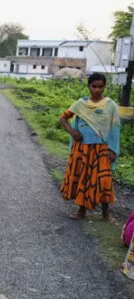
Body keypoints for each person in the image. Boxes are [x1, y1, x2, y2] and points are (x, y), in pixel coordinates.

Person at [59, 73, 120, 221]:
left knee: (104, 180)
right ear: (89, 86)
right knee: (83, 179)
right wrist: (72, 131)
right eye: (94, 86)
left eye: (100, 87)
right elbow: (63, 118)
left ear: (104, 87)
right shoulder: (81, 104)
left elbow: (115, 128)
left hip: (102, 149)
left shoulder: (110, 105)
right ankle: (81, 211)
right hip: (82, 148)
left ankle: (106, 213)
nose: (97, 90)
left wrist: (113, 149)